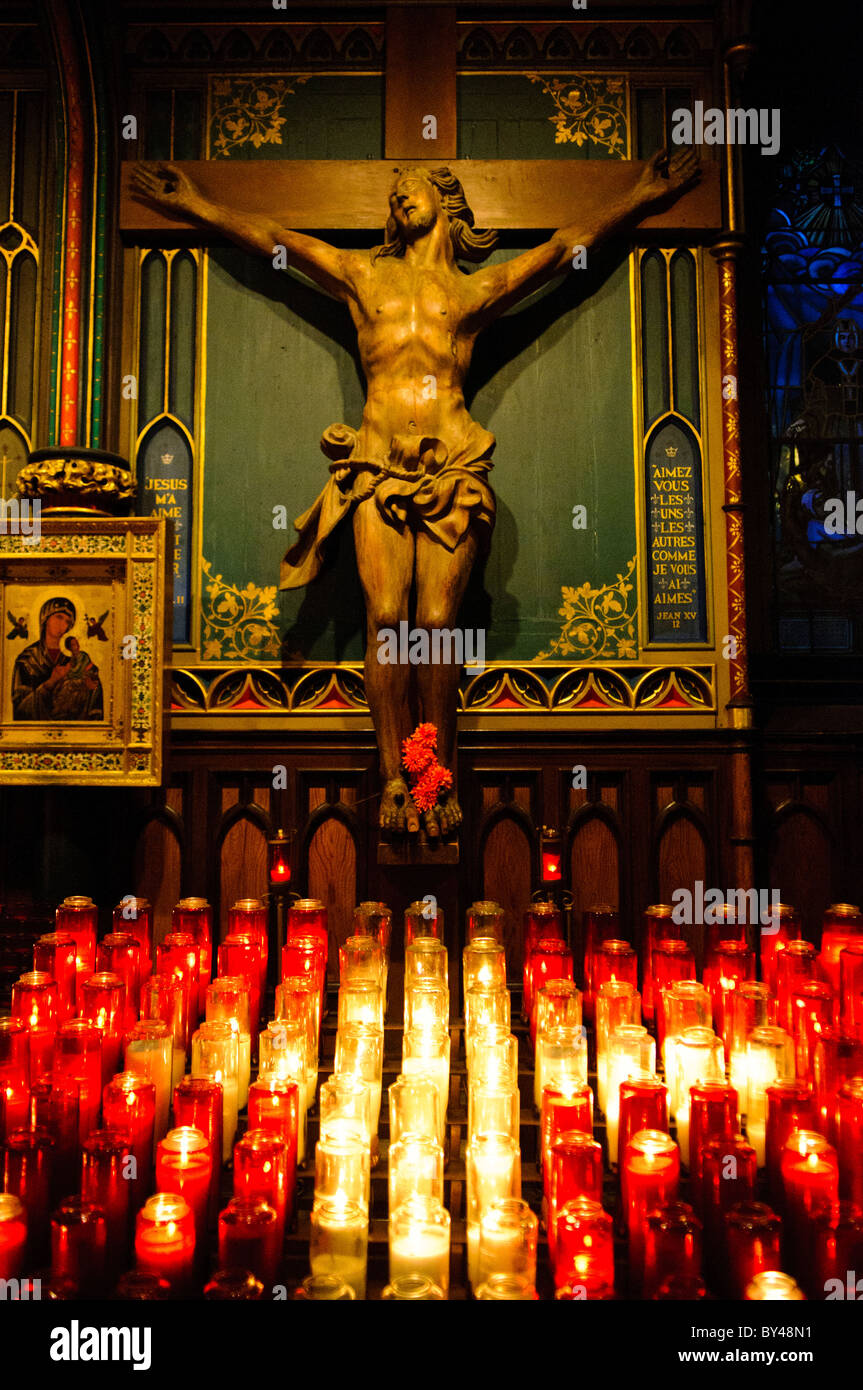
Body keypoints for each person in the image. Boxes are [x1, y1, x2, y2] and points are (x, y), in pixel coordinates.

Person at [132, 149, 698, 836]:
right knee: (387, 622)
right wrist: (198, 206)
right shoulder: (364, 277)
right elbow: (280, 240)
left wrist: (638, 197)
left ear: (446, 205)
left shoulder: (468, 294)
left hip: (452, 464)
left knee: (434, 625)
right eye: (394, 193)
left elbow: (557, 252)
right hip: (375, 466)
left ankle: (439, 775)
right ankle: (396, 778)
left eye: (414, 188)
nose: (401, 198)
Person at [12, 596, 103, 721]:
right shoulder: (27, 660)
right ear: (45, 618)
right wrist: (50, 683)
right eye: (59, 617)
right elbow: (19, 709)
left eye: (67, 622)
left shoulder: (75, 658)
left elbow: (95, 688)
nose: (63, 625)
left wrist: (88, 687)